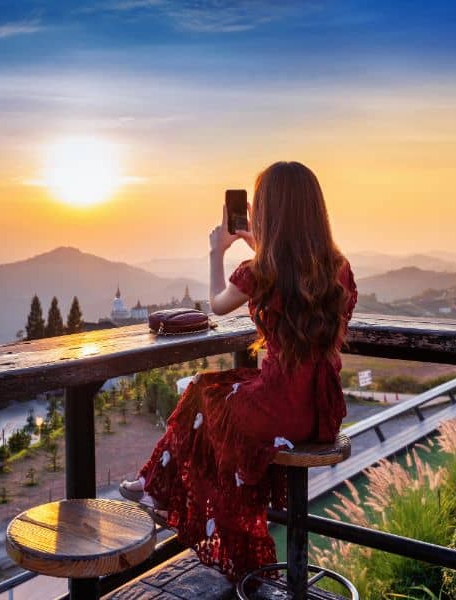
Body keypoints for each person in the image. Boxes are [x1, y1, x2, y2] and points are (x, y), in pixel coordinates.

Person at [120, 161, 358, 581]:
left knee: (203, 390)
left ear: (266, 213)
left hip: (277, 408)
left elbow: (217, 303)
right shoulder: (337, 268)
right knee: (218, 390)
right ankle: (155, 487)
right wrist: (259, 246)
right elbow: (293, 281)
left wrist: (217, 251)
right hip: (321, 412)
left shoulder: (260, 271)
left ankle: (158, 489)